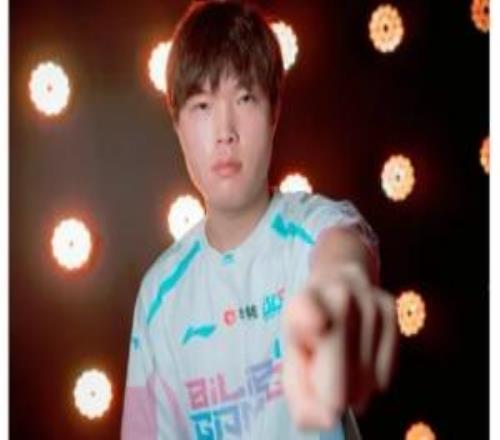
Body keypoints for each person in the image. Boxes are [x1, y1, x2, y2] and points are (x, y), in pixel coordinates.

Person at [121, 1, 397, 439]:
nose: (225, 132)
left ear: (274, 113)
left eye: (245, 98)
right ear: (177, 125)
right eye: (202, 105)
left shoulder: (307, 231)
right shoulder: (160, 297)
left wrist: (340, 289)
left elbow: (342, 252)